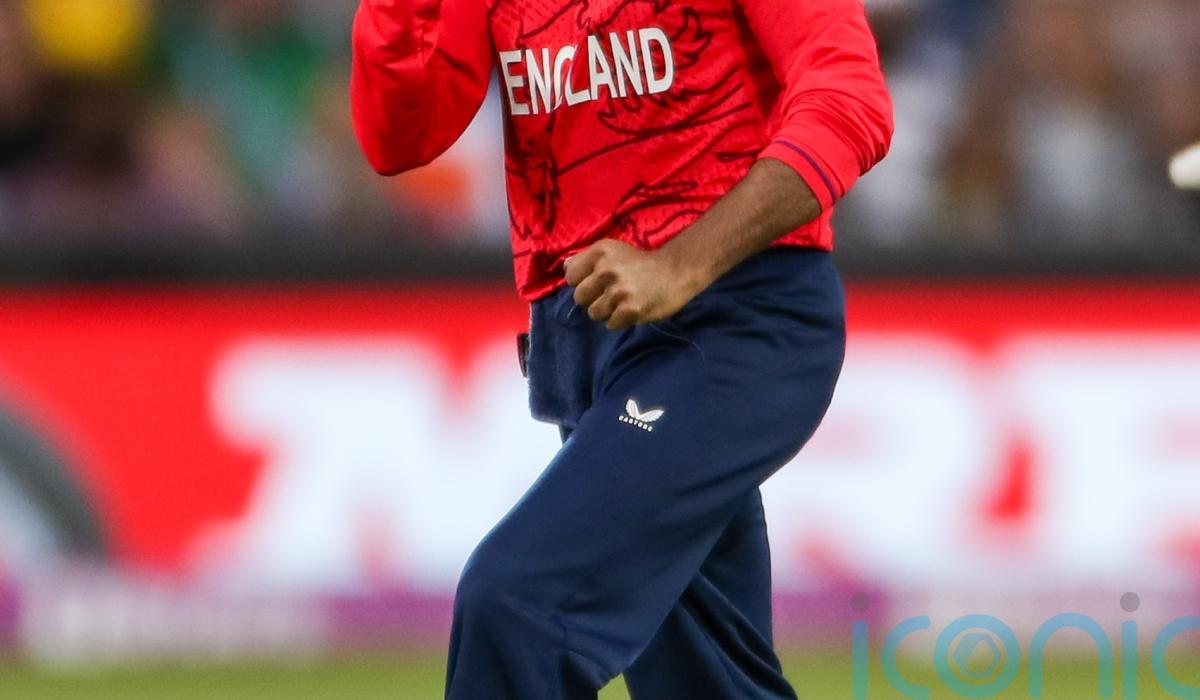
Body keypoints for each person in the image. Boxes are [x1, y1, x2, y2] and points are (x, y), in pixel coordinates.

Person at [350, 0, 893, 694]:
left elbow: (851, 100)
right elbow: (403, 134)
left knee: (518, 606)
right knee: (703, 681)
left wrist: (681, 264)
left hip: (734, 317)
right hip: (589, 333)